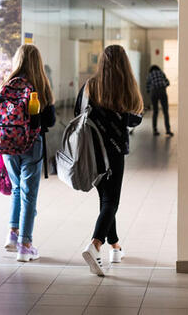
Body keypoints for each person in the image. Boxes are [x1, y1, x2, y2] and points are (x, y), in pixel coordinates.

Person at [76, 45, 143, 276]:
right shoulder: (127, 87)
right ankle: (95, 245)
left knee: (105, 200)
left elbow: (77, 113)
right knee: (111, 201)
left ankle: (115, 246)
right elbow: (135, 120)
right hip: (113, 152)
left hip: (91, 152)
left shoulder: (89, 86)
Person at [0, 44, 55, 262]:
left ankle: (13, 233)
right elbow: (50, 121)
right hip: (31, 143)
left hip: (7, 144)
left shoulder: (6, 84)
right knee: (29, 194)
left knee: (17, 189)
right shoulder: (40, 86)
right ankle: (25, 245)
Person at [146, 64, 173, 136]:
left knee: (155, 112)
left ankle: (155, 130)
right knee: (165, 112)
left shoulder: (150, 75)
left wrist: (150, 92)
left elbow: (147, 87)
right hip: (162, 91)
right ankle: (168, 130)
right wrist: (163, 86)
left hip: (153, 92)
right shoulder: (161, 73)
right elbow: (167, 82)